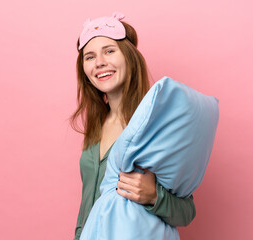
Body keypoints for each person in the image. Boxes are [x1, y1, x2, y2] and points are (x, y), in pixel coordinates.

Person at [71, 13, 196, 239]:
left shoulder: (155, 125)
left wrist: (154, 197)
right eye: (89, 57)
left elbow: (187, 212)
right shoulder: (95, 126)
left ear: (129, 57)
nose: (99, 62)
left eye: (109, 51)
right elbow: (86, 207)